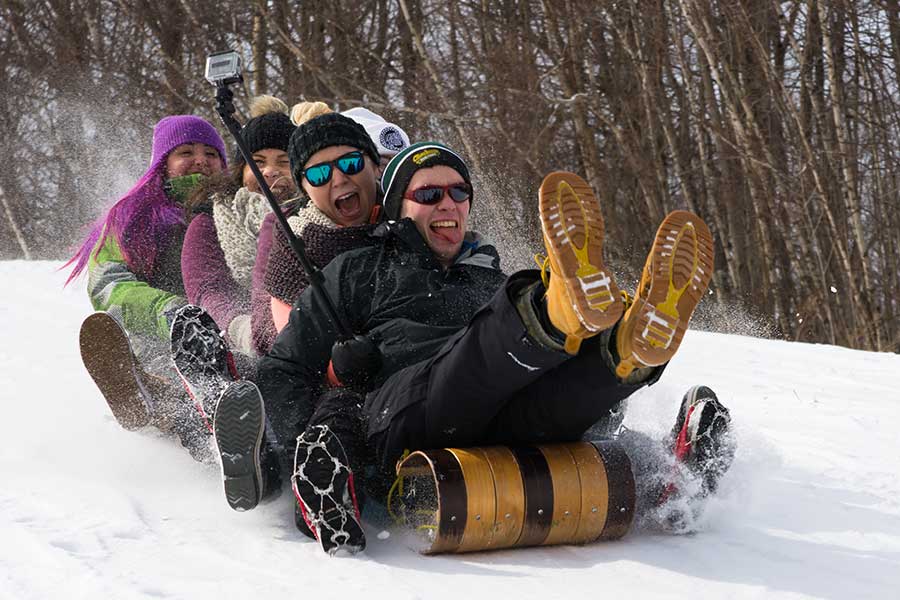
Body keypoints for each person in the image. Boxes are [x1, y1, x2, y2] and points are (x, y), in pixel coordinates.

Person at [229, 142, 732, 555]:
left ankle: (625, 354)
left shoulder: (488, 278)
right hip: (408, 412)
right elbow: (285, 370)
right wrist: (299, 441)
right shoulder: (359, 270)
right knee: (477, 357)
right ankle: (554, 316)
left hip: (507, 421)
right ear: (399, 205)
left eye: (458, 191)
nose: (447, 203)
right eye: (429, 193)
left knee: (553, 388)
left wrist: (603, 402)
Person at [66, 115, 227, 458]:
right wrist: (167, 309)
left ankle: (165, 402)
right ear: (163, 163)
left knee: (231, 371)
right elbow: (109, 283)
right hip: (162, 332)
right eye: (186, 152)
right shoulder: (132, 217)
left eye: (210, 154)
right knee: (189, 375)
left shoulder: (235, 208)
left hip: (229, 322)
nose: (200, 160)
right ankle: (162, 401)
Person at [179, 96, 296, 369]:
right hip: (235, 336)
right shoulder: (209, 222)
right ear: (241, 170)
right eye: (257, 162)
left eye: (283, 162)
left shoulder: (312, 214)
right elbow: (208, 289)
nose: (269, 172)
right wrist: (242, 328)